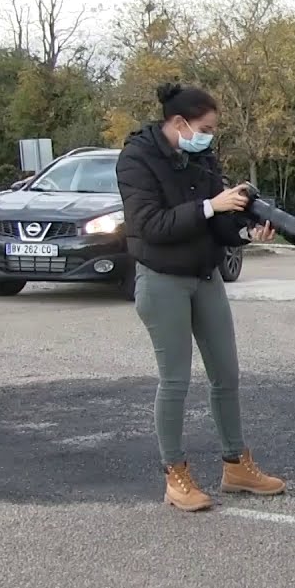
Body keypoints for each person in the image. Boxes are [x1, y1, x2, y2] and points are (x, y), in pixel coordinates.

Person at [117, 82, 283, 513]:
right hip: (162, 280)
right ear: (179, 123)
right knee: (175, 380)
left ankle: (236, 465)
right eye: (205, 127)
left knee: (226, 374)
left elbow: (218, 221)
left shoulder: (201, 156)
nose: (210, 135)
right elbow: (150, 224)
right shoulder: (136, 159)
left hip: (205, 276)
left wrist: (245, 230)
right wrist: (211, 205)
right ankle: (176, 475)